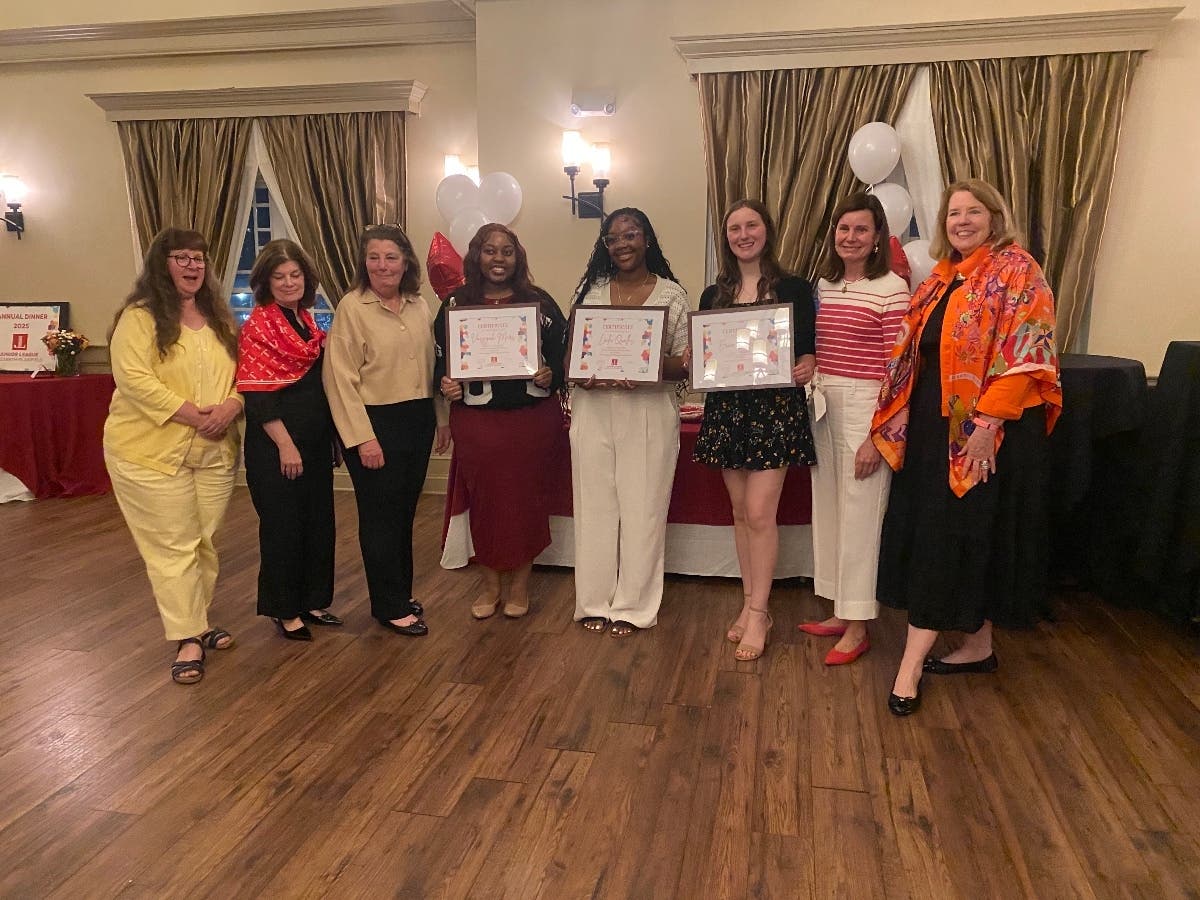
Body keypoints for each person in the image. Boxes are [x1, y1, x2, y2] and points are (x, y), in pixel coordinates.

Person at [871, 178, 1061, 716]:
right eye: (954, 213)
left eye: (973, 211)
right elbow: (917, 353)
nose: (962, 221)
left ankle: (909, 668)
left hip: (984, 432)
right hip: (935, 430)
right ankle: (978, 646)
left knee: (947, 538)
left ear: (994, 217)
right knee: (966, 536)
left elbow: (1028, 353)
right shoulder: (943, 277)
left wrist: (984, 424)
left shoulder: (1018, 270)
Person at [104, 227, 243, 685]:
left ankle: (196, 621)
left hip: (215, 452)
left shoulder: (220, 319)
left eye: (198, 258)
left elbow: (245, 374)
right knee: (172, 547)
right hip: (147, 454)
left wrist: (231, 406)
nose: (191, 266)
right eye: (181, 257)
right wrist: (193, 415)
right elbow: (134, 380)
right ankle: (186, 637)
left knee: (203, 542)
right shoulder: (139, 318)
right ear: (161, 265)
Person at [692, 199, 817, 660]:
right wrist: (697, 360)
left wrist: (807, 363)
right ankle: (749, 603)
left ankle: (761, 612)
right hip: (728, 411)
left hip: (775, 411)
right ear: (726, 238)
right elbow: (706, 356)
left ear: (767, 230)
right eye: (734, 228)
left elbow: (808, 350)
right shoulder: (713, 295)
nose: (743, 235)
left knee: (762, 513)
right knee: (741, 513)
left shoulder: (794, 289)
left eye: (752, 225)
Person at [798, 193, 910, 665]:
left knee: (862, 516)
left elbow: (899, 369)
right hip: (824, 403)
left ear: (878, 236)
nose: (851, 237)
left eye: (861, 229)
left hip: (868, 407)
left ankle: (860, 624)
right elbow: (818, 346)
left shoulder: (892, 288)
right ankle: (840, 609)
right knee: (830, 510)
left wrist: (878, 436)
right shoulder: (824, 285)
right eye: (844, 229)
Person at [435, 224, 568, 619]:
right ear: (477, 255)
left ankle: (521, 586)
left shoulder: (540, 303)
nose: (498, 258)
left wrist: (551, 375)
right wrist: (446, 383)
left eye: (507, 251)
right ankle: (490, 586)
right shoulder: (456, 304)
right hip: (477, 423)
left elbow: (564, 356)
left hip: (532, 422)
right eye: (490, 250)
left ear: (517, 257)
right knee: (485, 503)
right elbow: (440, 360)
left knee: (528, 502)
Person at [323, 224, 450, 637]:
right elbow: (339, 380)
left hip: (417, 419)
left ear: (405, 262)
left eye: (391, 257)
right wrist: (363, 439)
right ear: (364, 263)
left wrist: (441, 419)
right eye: (374, 257)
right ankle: (389, 606)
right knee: (380, 518)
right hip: (373, 423)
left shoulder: (418, 305)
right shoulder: (351, 307)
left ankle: (399, 593)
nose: (382, 265)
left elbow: (430, 368)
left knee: (403, 514)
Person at [570, 208, 690, 637]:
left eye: (631, 235)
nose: (622, 244)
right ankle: (593, 601)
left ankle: (634, 607)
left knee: (644, 511)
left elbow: (685, 363)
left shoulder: (672, 295)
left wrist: (645, 367)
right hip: (593, 409)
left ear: (647, 239)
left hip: (648, 410)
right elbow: (572, 357)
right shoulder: (592, 293)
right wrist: (583, 371)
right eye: (613, 238)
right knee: (594, 509)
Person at [237, 239, 338, 642]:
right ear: (265, 281)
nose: (289, 282)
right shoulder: (258, 327)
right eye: (279, 276)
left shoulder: (306, 322)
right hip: (276, 446)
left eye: (295, 274)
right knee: (283, 528)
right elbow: (257, 395)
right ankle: (284, 609)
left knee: (317, 522)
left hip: (314, 441)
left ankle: (312, 600)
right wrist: (285, 444)